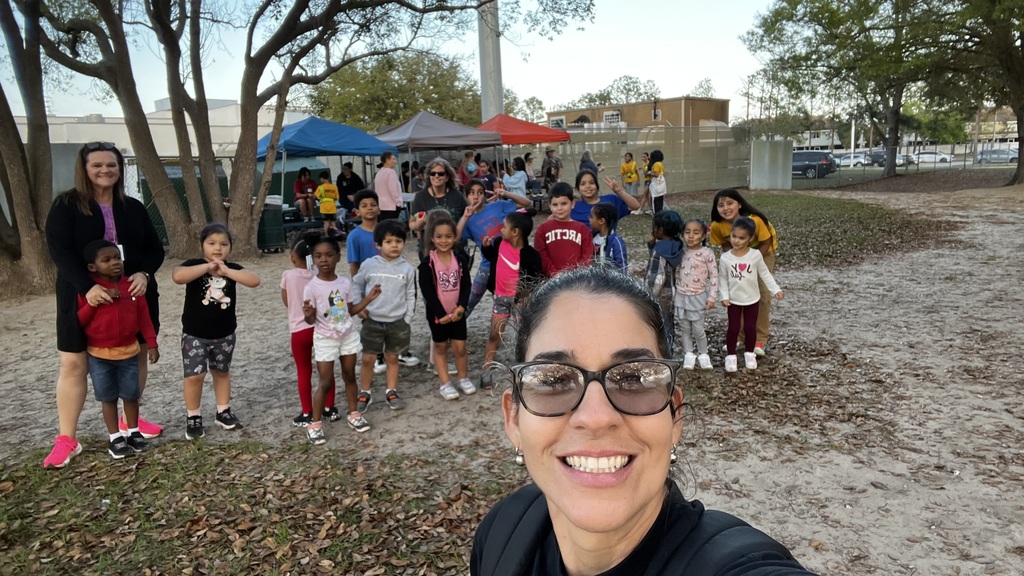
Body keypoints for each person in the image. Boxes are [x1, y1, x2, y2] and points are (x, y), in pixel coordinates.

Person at [470, 266, 814, 576]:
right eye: (554, 380)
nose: (596, 417)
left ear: (674, 414)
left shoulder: (735, 566)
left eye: (634, 379)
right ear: (513, 418)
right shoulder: (501, 532)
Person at [44, 141, 165, 469]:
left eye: (111, 164)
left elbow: (156, 249)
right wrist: (88, 286)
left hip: (133, 294)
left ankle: (129, 422)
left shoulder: (134, 207)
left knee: (135, 354)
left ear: (119, 168)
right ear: (84, 169)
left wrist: (143, 272)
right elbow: (59, 252)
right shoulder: (67, 205)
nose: (105, 170)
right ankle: (67, 439)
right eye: (96, 165)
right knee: (73, 363)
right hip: (82, 294)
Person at [172, 223, 262, 440]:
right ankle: (193, 417)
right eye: (211, 243)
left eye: (223, 244)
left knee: (221, 372)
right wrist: (206, 268)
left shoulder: (232, 269)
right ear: (202, 245)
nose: (217, 248)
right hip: (194, 334)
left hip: (224, 334)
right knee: (195, 376)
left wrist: (226, 271)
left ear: (231, 247)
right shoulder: (194, 266)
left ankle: (223, 411)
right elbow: (178, 276)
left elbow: (254, 281)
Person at [77, 240, 159, 459]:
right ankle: (115, 437)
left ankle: (133, 432)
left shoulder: (131, 286)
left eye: (117, 258)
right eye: (106, 260)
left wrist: (152, 344)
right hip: (99, 355)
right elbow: (80, 321)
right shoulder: (90, 291)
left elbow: (144, 318)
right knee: (108, 398)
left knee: (131, 395)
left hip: (129, 353)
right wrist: (94, 303)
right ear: (92, 267)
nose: (115, 263)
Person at [301, 233, 381, 444]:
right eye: (318, 256)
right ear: (313, 259)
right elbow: (310, 321)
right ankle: (315, 424)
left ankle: (354, 414)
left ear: (338, 257)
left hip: (348, 336)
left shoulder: (345, 283)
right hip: (325, 339)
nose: (323, 260)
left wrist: (368, 299)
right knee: (325, 382)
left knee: (349, 376)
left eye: (328, 255)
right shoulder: (312, 287)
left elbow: (350, 310)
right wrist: (308, 313)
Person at [351, 220, 417, 428]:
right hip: (372, 321)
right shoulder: (369, 265)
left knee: (392, 358)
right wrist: (358, 305)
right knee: (369, 359)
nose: (394, 245)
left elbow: (411, 294)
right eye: (389, 241)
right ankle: (365, 392)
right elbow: (356, 283)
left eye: (398, 241)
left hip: (397, 322)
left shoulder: (407, 268)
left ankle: (391, 391)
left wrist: (407, 318)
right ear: (379, 244)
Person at [709, 188, 779, 357]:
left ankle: (760, 339)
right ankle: (739, 337)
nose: (725, 208)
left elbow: (766, 241)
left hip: (762, 254)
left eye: (730, 203)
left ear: (739, 204)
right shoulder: (717, 226)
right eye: (721, 205)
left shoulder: (755, 220)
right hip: (737, 258)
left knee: (761, 296)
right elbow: (726, 248)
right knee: (737, 294)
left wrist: (751, 261)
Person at [480, 211, 544, 389]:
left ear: (515, 232)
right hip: (500, 299)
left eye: (504, 227)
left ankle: (524, 373)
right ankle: (487, 371)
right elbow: (491, 258)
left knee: (522, 338)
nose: (501, 229)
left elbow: (536, 279)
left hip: (520, 303)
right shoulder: (499, 244)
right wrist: (486, 248)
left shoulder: (531, 255)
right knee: (494, 334)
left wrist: (526, 296)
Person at [281, 237, 340, 427]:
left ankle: (307, 411)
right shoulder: (319, 275)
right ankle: (329, 407)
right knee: (326, 370)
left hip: (299, 329)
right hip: (321, 328)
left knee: (303, 371)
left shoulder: (288, 275)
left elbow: (287, 300)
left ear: (292, 257)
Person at [418, 211, 476, 400]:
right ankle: (445, 383)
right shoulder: (427, 263)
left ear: (455, 238)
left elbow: (466, 285)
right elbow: (427, 291)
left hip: (457, 312)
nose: (444, 240)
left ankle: (463, 378)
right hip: (438, 315)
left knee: (460, 347)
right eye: (439, 237)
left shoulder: (460, 260)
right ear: (433, 238)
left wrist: (461, 307)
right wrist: (440, 313)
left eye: (448, 236)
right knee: (440, 348)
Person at [456, 179, 532, 318]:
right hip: (488, 264)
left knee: (517, 300)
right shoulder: (468, 220)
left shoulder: (498, 206)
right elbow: (455, 238)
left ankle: (523, 333)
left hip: (511, 262)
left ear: (484, 195)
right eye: (471, 193)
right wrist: (466, 216)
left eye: (480, 192)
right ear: (466, 196)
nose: (476, 196)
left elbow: (526, 203)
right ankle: (456, 328)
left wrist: (505, 193)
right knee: (471, 298)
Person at [719, 217, 784, 373]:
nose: (737, 241)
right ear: (730, 234)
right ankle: (731, 357)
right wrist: (724, 296)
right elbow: (722, 278)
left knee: (750, 327)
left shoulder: (755, 255)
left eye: (742, 238)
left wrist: (776, 290)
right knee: (733, 328)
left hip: (752, 299)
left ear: (751, 238)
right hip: (733, 300)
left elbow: (765, 274)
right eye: (734, 236)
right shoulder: (725, 258)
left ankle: (749, 354)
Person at [676, 219, 719, 370]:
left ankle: (703, 354)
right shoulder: (680, 251)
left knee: (698, 329)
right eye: (687, 232)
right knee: (685, 328)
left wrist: (712, 296)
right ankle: (688, 354)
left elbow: (714, 276)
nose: (691, 236)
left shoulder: (707, 253)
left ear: (703, 236)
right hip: (681, 296)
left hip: (698, 296)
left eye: (696, 232)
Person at [645, 210, 685, 356]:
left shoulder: (659, 251)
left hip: (660, 293)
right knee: (668, 321)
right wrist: (652, 245)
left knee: (658, 322)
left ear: (660, 230)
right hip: (672, 292)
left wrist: (648, 295)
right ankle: (670, 347)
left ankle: (662, 351)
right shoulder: (677, 245)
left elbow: (657, 277)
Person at [409, 157, 470, 251]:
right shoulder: (421, 196)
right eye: (433, 173)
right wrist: (419, 223)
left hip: (455, 248)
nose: (436, 176)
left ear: (447, 177)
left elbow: (467, 218)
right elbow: (411, 223)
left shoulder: (457, 196)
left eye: (441, 173)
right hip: (429, 249)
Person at [535, 183, 593, 277]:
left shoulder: (582, 229)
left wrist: (577, 274)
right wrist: (554, 274)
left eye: (564, 203)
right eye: (555, 204)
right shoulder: (542, 229)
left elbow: (587, 254)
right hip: (551, 281)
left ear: (572, 203)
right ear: (549, 205)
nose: (559, 208)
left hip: (577, 281)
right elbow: (541, 254)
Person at [569, 169, 640, 226]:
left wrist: (619, 192)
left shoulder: (610, 200)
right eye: (583, 184)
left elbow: (635, 206)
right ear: (578, 188)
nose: (588, 186)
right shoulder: (573, 207)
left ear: (597, 186)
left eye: (592, 183)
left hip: (609, 243)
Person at [589, 202, 628, 273]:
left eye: (591, 217)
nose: (589, 219)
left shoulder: (616, 242)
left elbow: (622, 266)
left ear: (601, 221)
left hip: (610, 282)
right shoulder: (591, 239)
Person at [374, 151, 403, 221]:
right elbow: (393, 190)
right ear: (387, 160)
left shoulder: (379, 172)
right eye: (393, 159)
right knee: (391, 228)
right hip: (391, 206)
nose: (395, 161)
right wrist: (398, 203)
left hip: (381, 206)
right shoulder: (391, 172)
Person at [647, 149, 668, 214]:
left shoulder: (656, 164)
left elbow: (656, 174)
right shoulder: (661, 163)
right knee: (660, 198)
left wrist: (650, 173)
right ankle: (661, 212)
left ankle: (656, 213)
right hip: (662, 181)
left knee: (655, 198)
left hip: (657, 182)